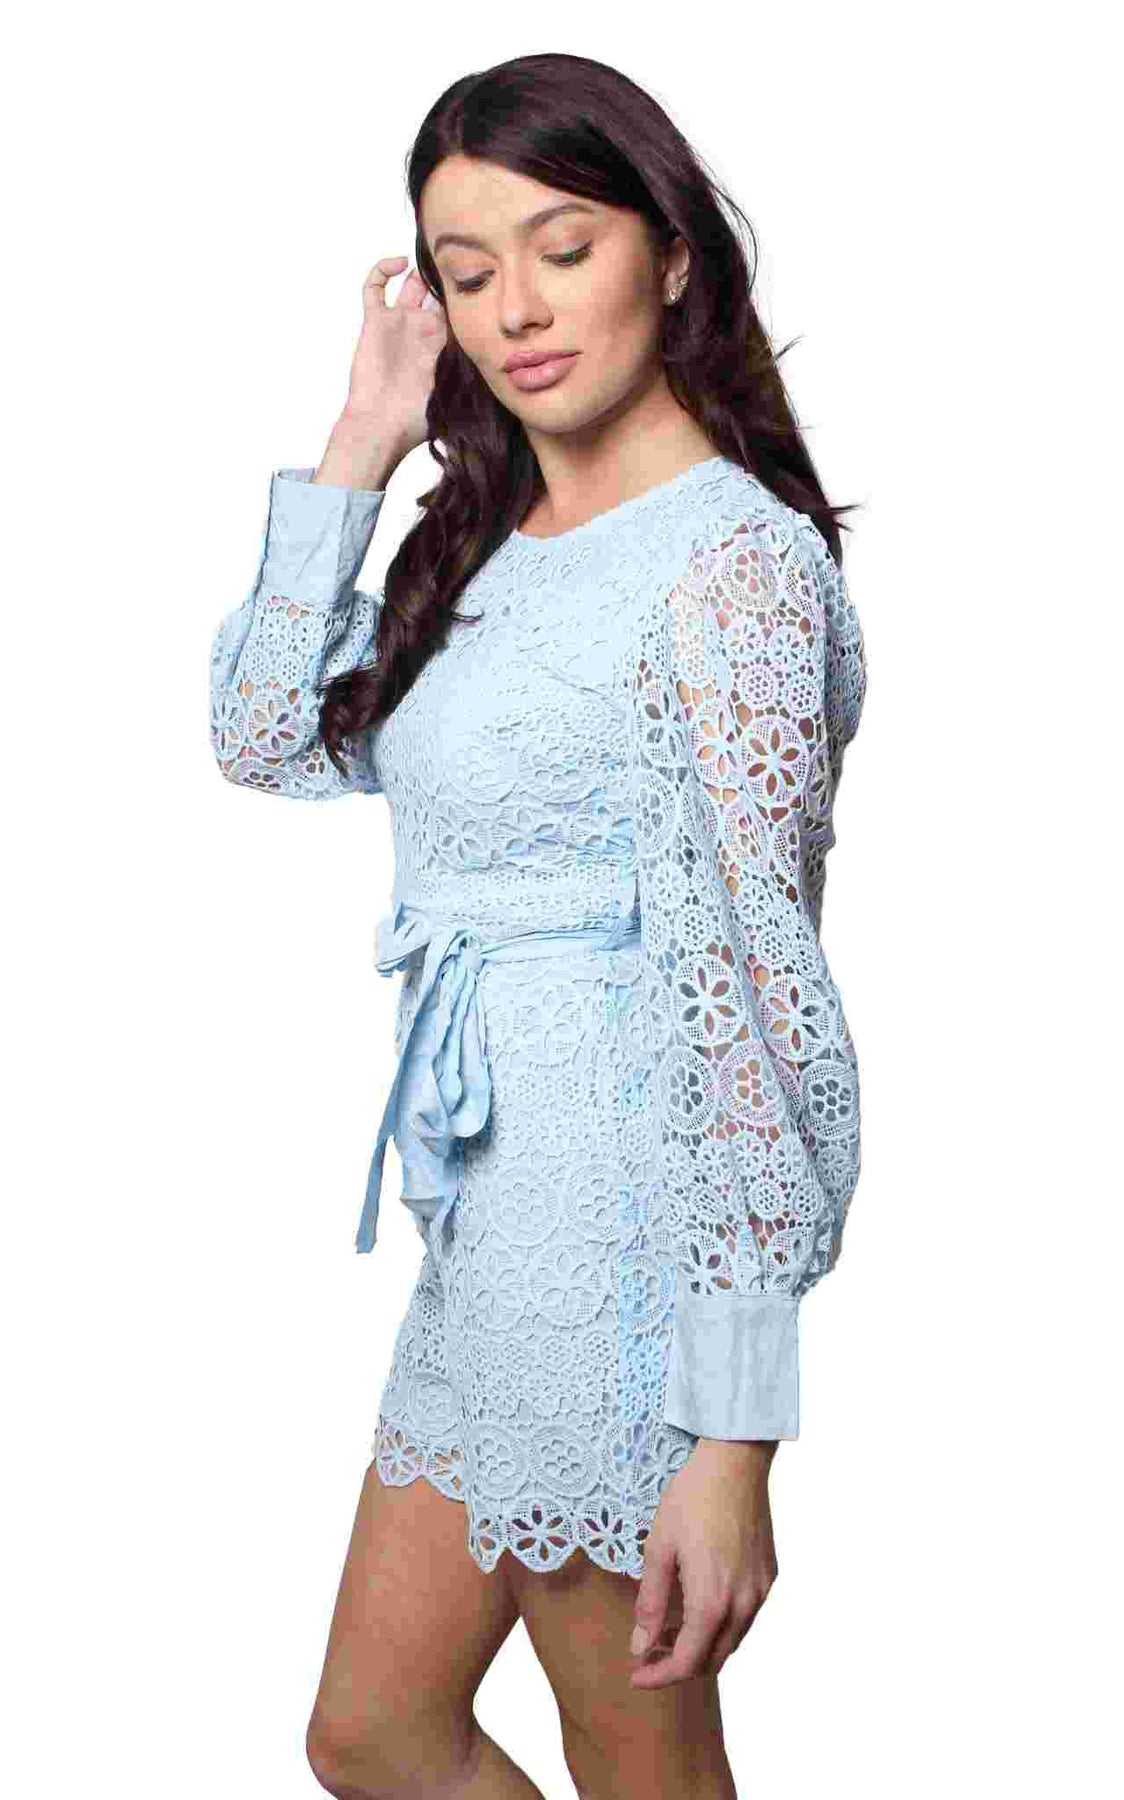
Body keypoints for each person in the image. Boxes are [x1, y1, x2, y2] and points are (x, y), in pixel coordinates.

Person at [209, 50, 867, 1800]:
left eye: (562, 248)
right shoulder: (489, 542)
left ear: (672, 254)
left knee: (641, 1767)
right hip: (493, 1238)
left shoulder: (731, 569)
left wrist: (735, 1428)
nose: (516, 308)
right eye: (468, 268)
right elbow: (265, 736)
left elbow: (756, 1002)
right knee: (372, 1731)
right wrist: (362, 440)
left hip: (636, 1250)